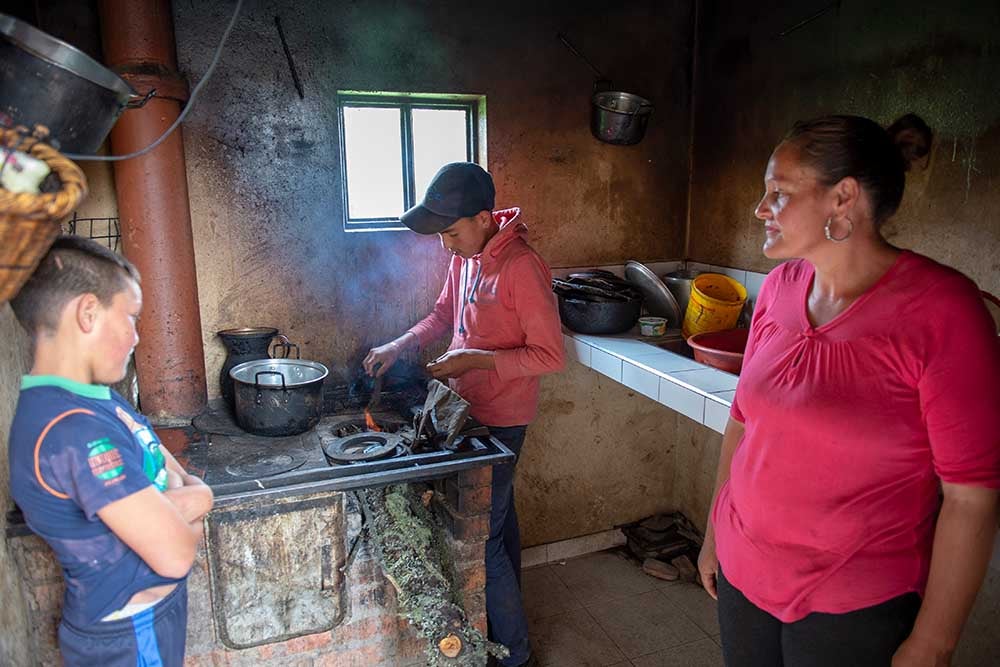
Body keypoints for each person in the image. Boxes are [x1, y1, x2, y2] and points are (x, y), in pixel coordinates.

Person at [696, 113, 1000, 667]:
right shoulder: (780, 288)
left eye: (779, 194)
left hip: (853, 601)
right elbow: (742, 421)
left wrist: (933, 643)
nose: (761, 210)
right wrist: (716, 532)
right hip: (744, 572)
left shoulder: (942, 311)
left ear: (843, 198)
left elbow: (971, 497)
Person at [363, 162, 564, 667]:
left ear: (483, 217)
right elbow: (443, 316)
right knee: (499, 520)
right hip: (468, 409)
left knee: (486, 536)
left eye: (451, 232)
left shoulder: (521, 267)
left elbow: (550, 356)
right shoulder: (466, 257)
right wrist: (398, 344)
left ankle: (514, 655)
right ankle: (508, 623)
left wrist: (473, 359)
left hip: (503, 417)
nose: (446, 245)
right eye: (441, 237)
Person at [8, 236, 213, 667]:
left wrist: (170, 507)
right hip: (127, 638)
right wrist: (201, 498)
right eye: (131, 318)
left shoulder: (95, 397)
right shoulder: (72, 430)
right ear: (87, 313)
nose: (137, 337)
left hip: (145, 621)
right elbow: (176, 554)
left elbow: (160, 458)